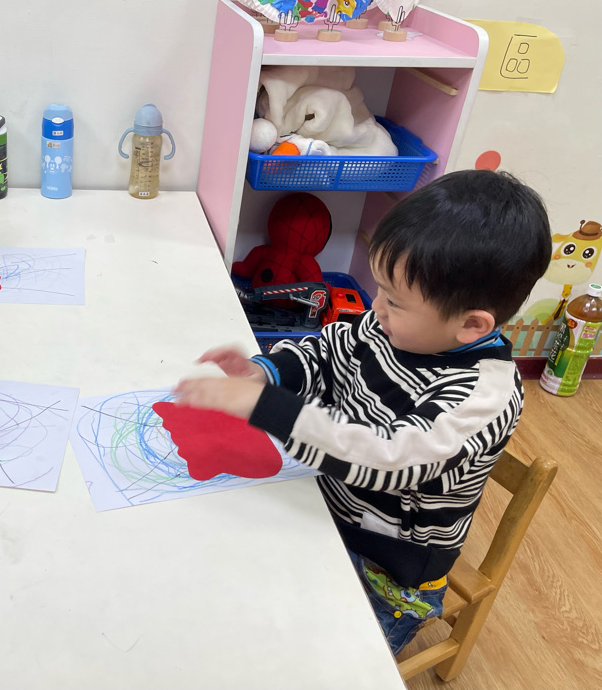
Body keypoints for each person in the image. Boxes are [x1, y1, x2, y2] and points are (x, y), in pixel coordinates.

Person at [174, 170, 552, 654]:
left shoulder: (483, 398)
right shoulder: (387, 324)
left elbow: (387, 458)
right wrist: (268, 374)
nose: (377, 308)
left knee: (325, 658)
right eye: (380, 289)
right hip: (325, 507)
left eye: (394, 300)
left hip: (387, 571)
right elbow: (330, 350)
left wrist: (268, 407)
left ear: (472, 325)